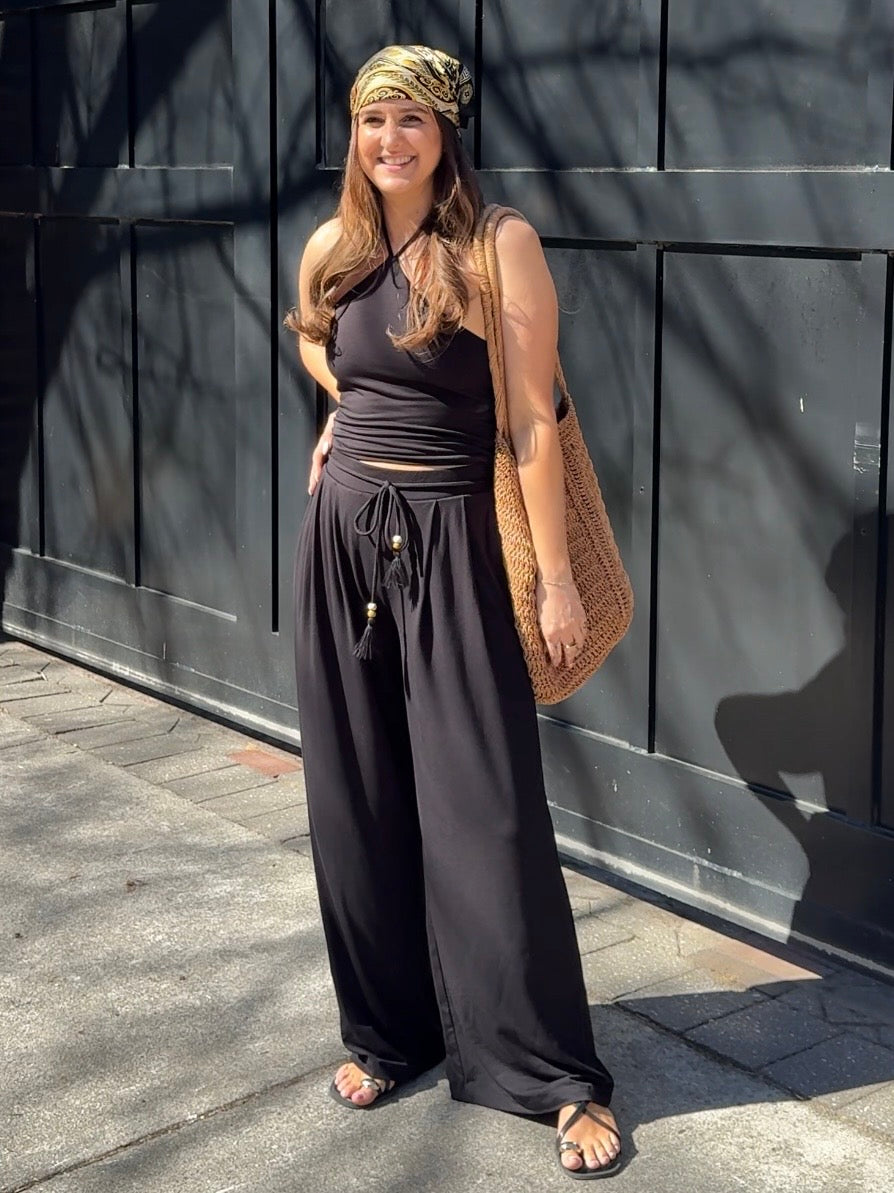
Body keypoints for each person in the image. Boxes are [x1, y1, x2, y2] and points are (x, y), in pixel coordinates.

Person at [285, 44, 622, 1179]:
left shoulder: (495, 243)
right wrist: (345, 413)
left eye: (413, 120)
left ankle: (553, 1073)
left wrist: (556, 577)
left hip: (451, 543)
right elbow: (312, 335)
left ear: (446, 133)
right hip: (342, 541)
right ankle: (390, 1033)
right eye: (373, 120)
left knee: (487, 812)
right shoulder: (333, 246)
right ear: (355, 132)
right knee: (354, 799)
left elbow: (530, 421)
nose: (391, 140)